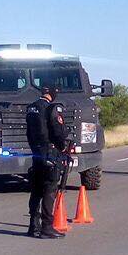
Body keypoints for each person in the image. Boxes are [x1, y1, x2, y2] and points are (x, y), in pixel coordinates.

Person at [26, 86, 71, 239]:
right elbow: (58, 131)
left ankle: (33, 226)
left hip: (37, 153)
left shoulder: (31, 108)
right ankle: (47, 227)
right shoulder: (51, 108)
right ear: (53, 94)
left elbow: (28, 133)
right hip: (50, 153)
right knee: (49, 190)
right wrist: (62, 144)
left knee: (36, 190)